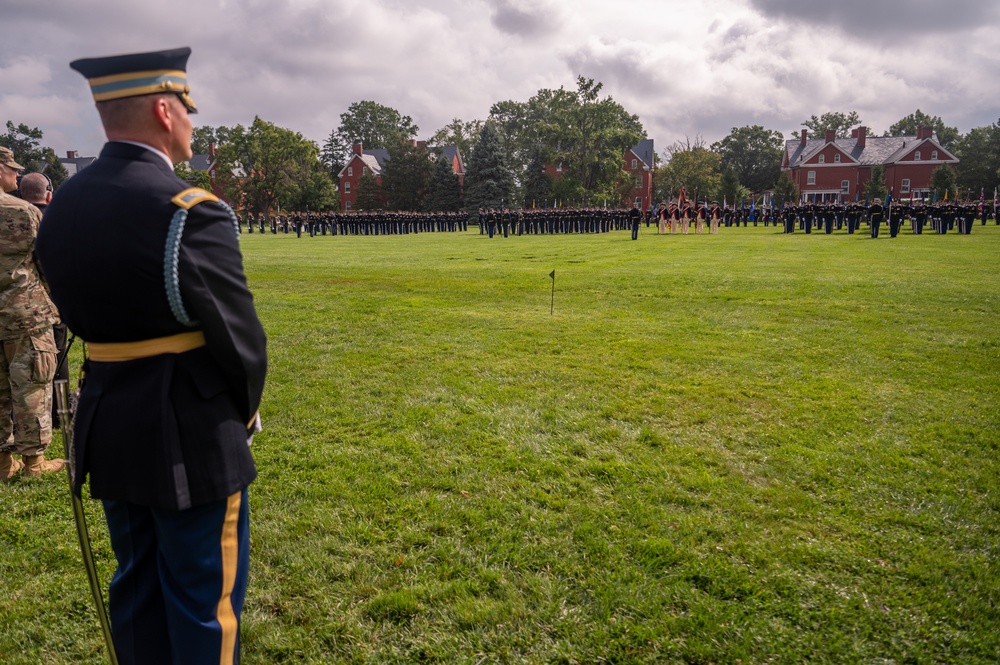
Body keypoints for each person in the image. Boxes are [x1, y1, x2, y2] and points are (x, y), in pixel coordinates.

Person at [36, 47, 267, 665]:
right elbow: (241, 341)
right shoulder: (189, 209)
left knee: (136, 590)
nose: (193, 121)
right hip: (189, 429)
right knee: (203, 606)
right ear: (165, 110)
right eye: (188, 108)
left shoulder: (60, 211)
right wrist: (242, 414)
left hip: (108, 420)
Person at [0, 149, 63, 482]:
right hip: (24, 315)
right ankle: (33, 466)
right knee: (31, 389)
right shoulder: (23, 212)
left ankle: (2, 464)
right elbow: (46, 263)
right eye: (12, 170)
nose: (17, 176)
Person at [18, 173, 70, 430]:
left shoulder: (14, 214)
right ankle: (59, 413)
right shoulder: (56, 218)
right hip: (52, 297)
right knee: (56, 352)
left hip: (18, 301)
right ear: (49, 193)